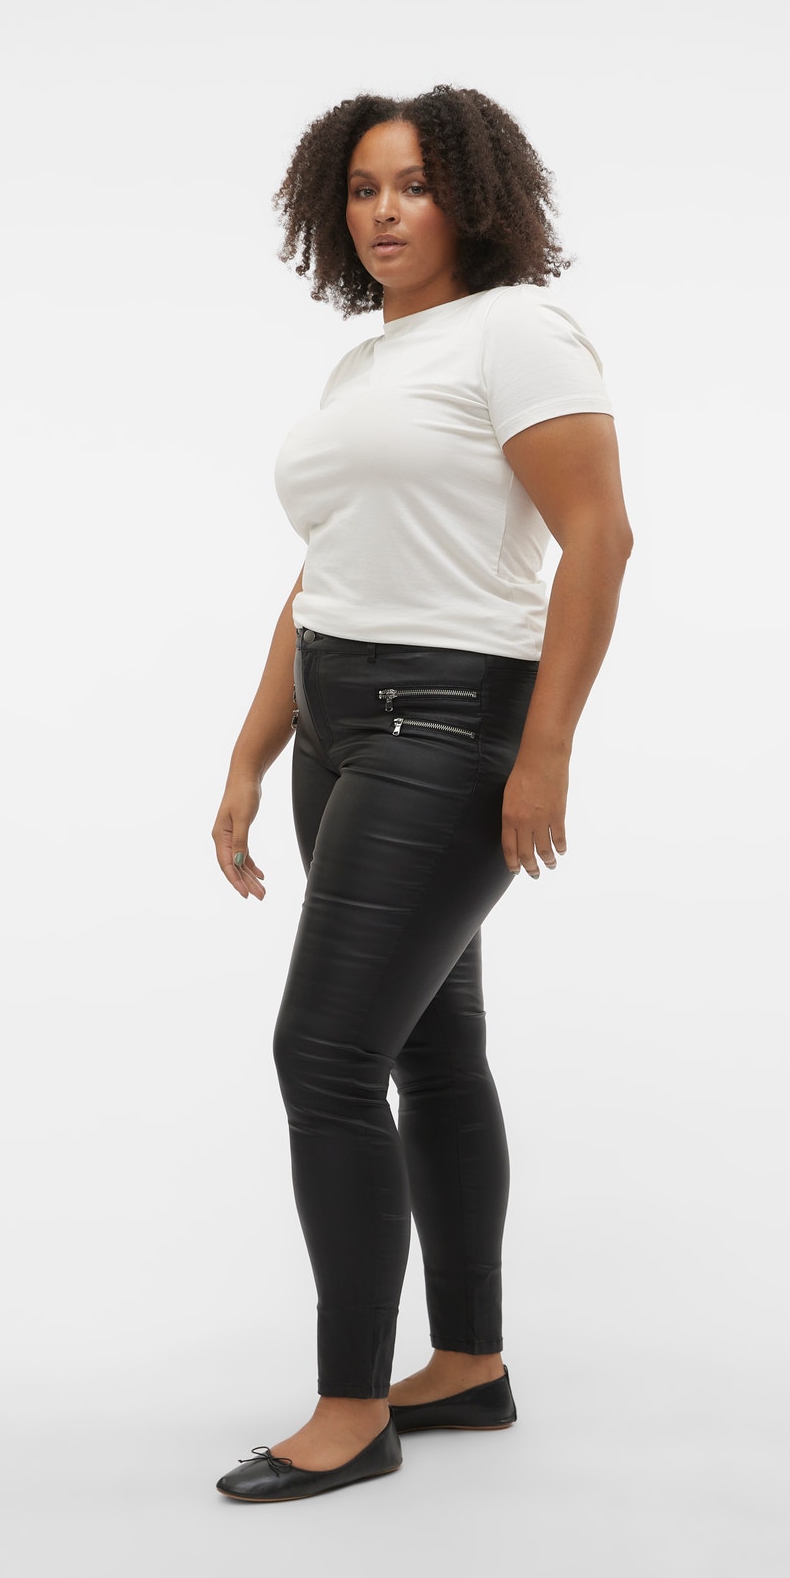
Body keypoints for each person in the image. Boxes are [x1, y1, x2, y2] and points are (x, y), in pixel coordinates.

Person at [211, 84, 634, 1502]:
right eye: (362, 190)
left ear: (474, 197)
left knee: (322, 1056)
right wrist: (251, 750)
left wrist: (546, 749)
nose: (384, 213)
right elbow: (324, 570)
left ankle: (352, 1408)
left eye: (413, 185)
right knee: (429, 1053)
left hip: (448, 726)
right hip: (339, 722)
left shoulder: (519, 331)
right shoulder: (368, 364)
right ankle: (467, 1365)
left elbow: (599, 537)